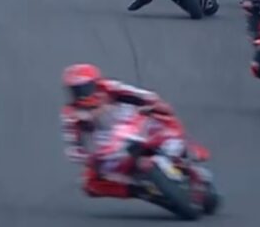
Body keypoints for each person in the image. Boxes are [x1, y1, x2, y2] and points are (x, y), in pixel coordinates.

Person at [61, 63, 183, 198]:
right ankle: (139, 191)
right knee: (89, 184)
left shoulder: (110, 87)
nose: (80, 95)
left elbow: (143, 95)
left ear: (96, 83)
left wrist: (152, 103)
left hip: (134, 122)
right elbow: (72, 146)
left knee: (163, 114)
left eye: (84, 89)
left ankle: (182, 151)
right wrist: (87, 158)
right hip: (110, 146)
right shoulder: (71, 113)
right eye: (75, 91)